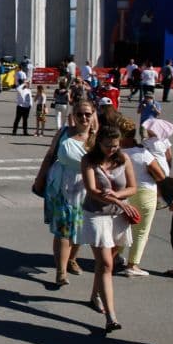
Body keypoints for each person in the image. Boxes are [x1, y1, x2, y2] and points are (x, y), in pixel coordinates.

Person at [80, 125, 139, 334]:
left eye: (116, 146)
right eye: (108, 146)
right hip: (96, 215)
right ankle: (111, 317)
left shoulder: (123, 159)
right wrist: (119, 201)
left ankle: (95, 295)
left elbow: (133, 187)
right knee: (106, 264)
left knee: (106, 263)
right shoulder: (88, 160)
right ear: (99, 143)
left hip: (118, 217)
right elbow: (92, 190)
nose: (112, 150)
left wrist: (117, 198)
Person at [35, 100, 99, 287]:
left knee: (79, 228)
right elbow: (49, 155)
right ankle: (61, 271)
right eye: (80, 114)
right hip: (61, 187)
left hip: (86, 187)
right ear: (73, 115)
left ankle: (72, 259)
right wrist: (40, 178)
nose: (84, 117)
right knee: (63, 229)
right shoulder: (63, 133)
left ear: (93, 114)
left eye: (88, 114)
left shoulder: (97, 138)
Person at [119, 119, 165, 277]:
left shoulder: (116, 153)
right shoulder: (143, 153)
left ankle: (114, 256)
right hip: (145, 192)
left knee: (121, 227)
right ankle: (132, 265)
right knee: (141, 231)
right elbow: (160, 175)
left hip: (124, 193)